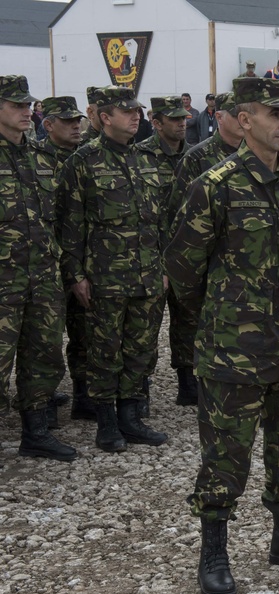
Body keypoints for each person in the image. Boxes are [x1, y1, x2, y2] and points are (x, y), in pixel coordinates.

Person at [166, 76, 279, 594]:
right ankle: (214, 552)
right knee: (225, 454)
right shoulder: (216, 185)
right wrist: (223, 321)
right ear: (244, 121)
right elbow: (181, 268)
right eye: (273, 114)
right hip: (234, 350)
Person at [57, 85, 168, 453]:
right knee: (105, 352)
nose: (135, 116)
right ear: (105, 118)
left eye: (137, 111)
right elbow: (71, 225)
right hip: (105, 278)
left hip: (147, 274)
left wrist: (164, 266)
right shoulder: (83, 162)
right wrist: (76, 275)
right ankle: (106, 425)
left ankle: (132, 419)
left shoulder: (145, 159)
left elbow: (159, 222)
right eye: (126, 112)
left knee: (142, 349)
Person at [0, 75, 78, 461]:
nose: (27, 111)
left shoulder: (41, 157)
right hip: (4, 282)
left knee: (44, 356)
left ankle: (36, 432)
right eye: (17, 105)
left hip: (43, 278)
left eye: (28, 105)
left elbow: (59, 217)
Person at [163, 91, 243, 406]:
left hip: (235, 255)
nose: (242, 120)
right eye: (235, 114)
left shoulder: (255, 154)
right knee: (189, 319)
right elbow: (177, 213)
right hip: (201, 254)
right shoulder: (197, 157)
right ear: (219, 117)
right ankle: (187, 380)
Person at [134, 96, 190, 415]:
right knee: (146, 327)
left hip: (187, 255)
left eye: (183, 117)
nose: (182, 122)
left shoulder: (194, 156)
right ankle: (139, 392)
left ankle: (188, 384)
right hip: (152, 255)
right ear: (156, 123)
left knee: (189, 322)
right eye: (174, 118)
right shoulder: (140, 156)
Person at [36, 96, 86, 420]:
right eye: (67, 121)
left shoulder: (86, 159)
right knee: (46, 338)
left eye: (77, 120)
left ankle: (85, 395)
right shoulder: (36, 159)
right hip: (45, 263)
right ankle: (43, 400)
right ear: (49, 124)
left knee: (84, 332)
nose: (76, 125)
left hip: (80, 259)